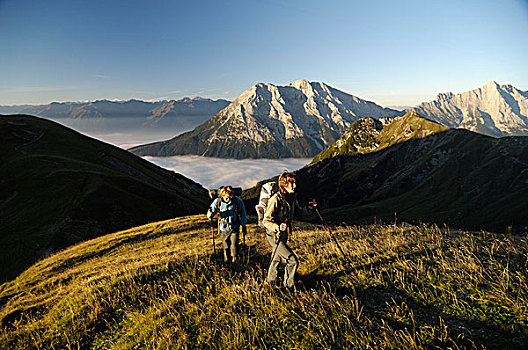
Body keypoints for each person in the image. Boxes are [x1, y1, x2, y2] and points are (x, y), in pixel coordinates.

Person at [262, 172, 300, 289]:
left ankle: (269, 282)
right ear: (284, 185)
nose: (294, 186)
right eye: (291, 183)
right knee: (292, 260)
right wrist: (277, 227)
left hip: (283, 234)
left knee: (276, 258)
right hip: (274, 235)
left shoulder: (291, 197)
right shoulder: (275, 199)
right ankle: (289, 287)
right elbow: (266, 221)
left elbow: (298, 212)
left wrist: (310, 207)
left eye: (295, 183)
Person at [207, 186, 247, 263]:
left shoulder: (236, 200)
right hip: (223, 227)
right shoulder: (217, 201)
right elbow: (211, 211)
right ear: (222, 195)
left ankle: (234, 259)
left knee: (234, 245)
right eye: (226, 197)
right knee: (226, 245)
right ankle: (227, 260)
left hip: (234, 226)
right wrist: (210, 215)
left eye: (229, 197)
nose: (228, 199)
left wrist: (243, 224)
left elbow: (243, 212)